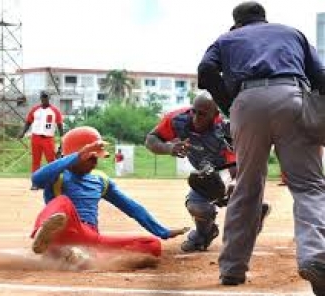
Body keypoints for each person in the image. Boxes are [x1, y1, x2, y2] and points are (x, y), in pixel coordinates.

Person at [197, 1, 325, 293]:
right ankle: (315, 257)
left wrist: (229, 103)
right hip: (292, 95)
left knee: (247, 186)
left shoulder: (227, 38)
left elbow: (205, 71)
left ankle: (232, 269)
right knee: (309, 186)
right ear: (263, 19)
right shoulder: (293, 34)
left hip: (247, 100)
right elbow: (321, 76)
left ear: (238, 23)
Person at [30, 126, 189, 261]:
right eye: (91, 158)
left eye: (96, 159)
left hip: (89, 235)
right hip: (61, 230)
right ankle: (47, 241)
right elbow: (37, 179)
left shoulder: (101, 180)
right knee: (62, 202)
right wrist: (78, 155)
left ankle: (80, 255)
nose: (95, 163)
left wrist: (162, 231)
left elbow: (132, 207)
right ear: (74, 155)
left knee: (152, 245)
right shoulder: (57, 176)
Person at [145, 92, 271, 253]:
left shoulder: (226, 128)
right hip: (206, 173)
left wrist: (235, 183)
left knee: (236, 196)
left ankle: (255, 209)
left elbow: (240, 162)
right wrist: (169, 148)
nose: (196, 117)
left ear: (215, 115)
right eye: (194, 111)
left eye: (203, 114)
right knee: (196, 205)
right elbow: (151, 139)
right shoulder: (178, 119)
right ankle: (204, 234)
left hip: (232, 169)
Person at [18, 91, 64, 190]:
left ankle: (54, 182)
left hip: (48, 138)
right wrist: (22, 133)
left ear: (49, 98)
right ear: (40, 98)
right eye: (43, 97)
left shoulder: (55, 111)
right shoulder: (35, 110)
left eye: (46, 97)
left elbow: (60, 125)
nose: (44, 99)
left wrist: (62, 137)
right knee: (36, 161)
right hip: (36, 138)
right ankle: (35, 183)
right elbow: (28, 122)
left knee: (51, 161)